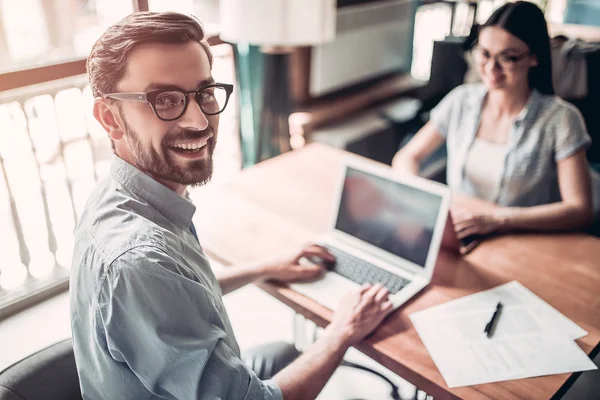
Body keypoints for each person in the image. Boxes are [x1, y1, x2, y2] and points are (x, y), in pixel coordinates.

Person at [70, 12, 392, 400]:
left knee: (286, 352)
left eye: (204, 93)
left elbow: (175, 291)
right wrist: (343, 330)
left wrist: (264, 268)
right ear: (111, 118)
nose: (199, 121)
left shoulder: (121, 196)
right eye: (165, 100)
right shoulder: (138, 260)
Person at [392, 1, 594, 247]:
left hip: (524, 242)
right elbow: (406, 157)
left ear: (534, 58)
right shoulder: (461, 100)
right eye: (484, 53)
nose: (491, 68)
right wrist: (422, 201)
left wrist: (497, 219)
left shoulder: (561, 119)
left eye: (507, 58)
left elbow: (579, 210)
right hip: (462, 235)